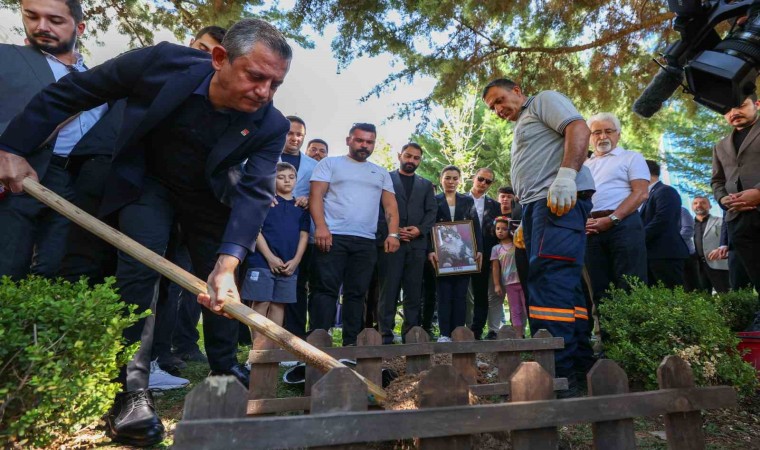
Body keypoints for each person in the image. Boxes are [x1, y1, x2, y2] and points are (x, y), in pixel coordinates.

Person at [0, 18, 293, 446]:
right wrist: (10, 147)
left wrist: (227, 263)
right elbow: (75, 92)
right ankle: (133, 393)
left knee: (223, 277)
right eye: (255, 76)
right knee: (140, 271)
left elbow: (253, 195)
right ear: (218, 59)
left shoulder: (272, 125)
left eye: (275, 84)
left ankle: (225, 365)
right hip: (146, 182)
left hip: (208, 195)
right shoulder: (161, 63)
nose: (264, 93)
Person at [482, 78, 596, 397]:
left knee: (550, 281)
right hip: (538, 207)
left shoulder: (543, 99)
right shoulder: (524, 121)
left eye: (500, 100)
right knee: (565, 285)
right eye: (492, 107)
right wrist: (523, 223)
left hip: (556, 200)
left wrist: (566, 176)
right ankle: (578, 365)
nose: (498, 109)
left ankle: (557, 371)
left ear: (517, 90)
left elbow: (578, 128)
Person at [0, 0, 108, 279]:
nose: (41, 27)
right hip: (15, 178)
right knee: (7, 269)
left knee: (57, 274)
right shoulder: (6, 57)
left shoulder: (101, 79)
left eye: (55, 20)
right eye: (32, 16)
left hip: (78, 187)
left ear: (80, 27)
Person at [309, 123, 400, 346]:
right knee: (324, 291)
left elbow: (390, 207)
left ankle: (351, 344)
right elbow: (316, 197)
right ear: (349, 140)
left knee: (356, 293)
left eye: (369, 142)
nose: (364, 145)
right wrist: (321, 227)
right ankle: (319, 341)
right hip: (332, 237)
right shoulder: (330, 164)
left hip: (365, 241)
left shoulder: (380, 172)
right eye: (360, 140)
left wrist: (394, 234)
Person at [241, 162, 309, 349]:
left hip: (289, 263)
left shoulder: (300, 207)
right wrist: (270, 257)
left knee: (280, 304)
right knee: (261, 302)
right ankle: (258, 348)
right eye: (281, 177)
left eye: (291, 177)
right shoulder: (266, 202)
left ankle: (271, 349)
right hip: (262, 261)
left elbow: (304, 235)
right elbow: (256, 230)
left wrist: (296, 261)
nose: (287, 180)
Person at [583, 112, 649, 303]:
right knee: (600, 289)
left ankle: (633, 333)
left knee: (631, 284)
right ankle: (608, 334)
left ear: (618, 134)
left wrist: (612, 219)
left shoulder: (631, 157)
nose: (602, 136)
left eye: (608, 131)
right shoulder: (584, 166)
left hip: (624, 225)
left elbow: (640, 193)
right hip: (591, 229)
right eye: (596, 132)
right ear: (589, 137)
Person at [376, 143, 436, 344]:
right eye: (408, 156)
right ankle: (385, 333)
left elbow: (431, 213)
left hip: (417, 245)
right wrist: (393, 231)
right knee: (389, 290)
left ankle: (411, 333)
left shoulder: (426, 185)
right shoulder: (386, 179)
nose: (411, 160)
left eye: (416, 158)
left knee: (413, 291)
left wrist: (419, 230)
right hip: (391, 243)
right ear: (399, 155)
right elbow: (377, 209)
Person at [712, 94, 760, 328]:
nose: (734, 112)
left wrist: (758, 193)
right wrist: (723, 199)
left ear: (757, 105)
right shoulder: (720, 145)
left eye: (740, 105)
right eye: (728, 109)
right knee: (751, 276)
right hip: (738, 221)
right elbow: (717, 181)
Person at [429, 165, 483, 342]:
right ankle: (444, 334)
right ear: (441, 179)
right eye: (447, 178)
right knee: (444, 294)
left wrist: (479, 250)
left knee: (461, 295)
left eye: (454, 178)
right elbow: (429, 227)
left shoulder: (467, 201)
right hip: (442, 255)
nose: (451, 181)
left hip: (463, 255)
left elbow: (475, 226)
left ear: (459, 180)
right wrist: (431, 250)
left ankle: (459, 332)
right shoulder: (433, 200)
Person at [279, 115, 319, 338]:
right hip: (270, 230)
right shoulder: (265, 157)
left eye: (299, 135)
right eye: (290, 133)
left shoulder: (314, 166)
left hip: (301, 232)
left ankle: (294, 334)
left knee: (298, 284)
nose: (294, 138)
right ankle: (261, 337)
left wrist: (308, 198)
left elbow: (322, 195)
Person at [640, 160, 689, 289]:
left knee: (671, 296)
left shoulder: (665, 191)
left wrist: (637, 237)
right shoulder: (646, 195)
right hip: (651, 255)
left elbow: (662, 220)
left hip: (665, 254)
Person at [467, 168, 503, 340]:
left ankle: (476, 330)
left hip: (486, 255)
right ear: (474, 178)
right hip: (460, 254)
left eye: (488, 181)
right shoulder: (459, 200)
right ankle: (458, 329)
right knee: (461, 294)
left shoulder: (495, 206)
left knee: (481, 294)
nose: (483, 183)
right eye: (480, 179)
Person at [491, 216, 526, 338]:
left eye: (504, 229)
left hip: (523, 281)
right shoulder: (496, 249)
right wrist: (496, 284)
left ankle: (533, 332)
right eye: (498, 228)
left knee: (526, 308)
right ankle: (518, 335)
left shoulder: (518, 244)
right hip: (509, 283)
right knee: (514, 309)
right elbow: (495, 268)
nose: (500, 231)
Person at [690, 196, 730, 293]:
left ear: (710, 206)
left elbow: (729, 238)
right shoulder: (688, 225)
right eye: (695, 203)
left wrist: (721, 249)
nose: (698, 205)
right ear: (692, 207)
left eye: (703, 203)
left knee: (727, 296)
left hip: (718, 265)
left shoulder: (721, 221)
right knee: (702, 300)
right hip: (697, 267)